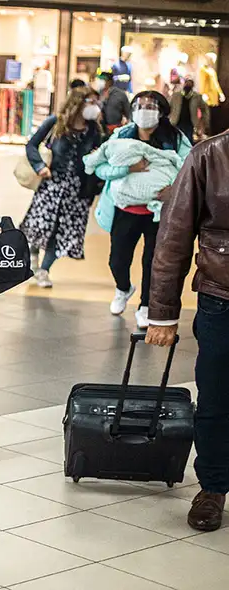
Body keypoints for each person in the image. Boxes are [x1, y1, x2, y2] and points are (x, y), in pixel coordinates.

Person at [148, 133, 229, 533]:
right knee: (216, 400)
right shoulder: (209, 156)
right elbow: (173, 237)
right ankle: (213, 487)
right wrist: (162, 313)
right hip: (222, 299)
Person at [96, 91, 190, 329]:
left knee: (153, 262)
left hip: (158, 213)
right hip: (125, 210)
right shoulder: (120, 136)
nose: (145, 110)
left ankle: (145, 305)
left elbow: (190, 169)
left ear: (161, 111)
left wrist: (174, 190)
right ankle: (123, 288)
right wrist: (128, 169)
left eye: (151, 106)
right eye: (140, 105)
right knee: (117, 260)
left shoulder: (175, 139)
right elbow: (100, 169)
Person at [21, 87, 104, 288]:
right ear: (78, 102)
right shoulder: (55, 123)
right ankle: (33, 255)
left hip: (79, 191)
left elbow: (100, 157)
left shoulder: (94, 130)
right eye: (90, 102)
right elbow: (31, 145)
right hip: (51, 185)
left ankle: (44, 270)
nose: (94, 107)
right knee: (40, 225)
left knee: (63, 232)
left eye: (96, 102)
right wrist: (40, 166)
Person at [169, 77, 209, 144]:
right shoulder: (176, 95)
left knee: (188, 141)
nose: (188, 85)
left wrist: (203, 122)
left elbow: (205, 109)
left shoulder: (197, 97)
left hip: (190, 124)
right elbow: (169, 107)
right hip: (176, 122)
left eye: (190, 84)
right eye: (187, 83)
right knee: (175, 140)